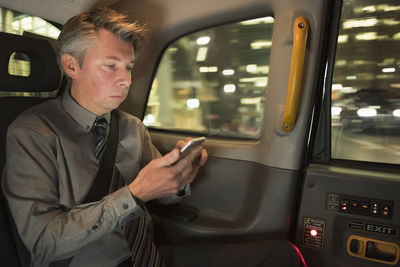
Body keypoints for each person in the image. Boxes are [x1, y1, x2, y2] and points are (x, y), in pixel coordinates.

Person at [2, 8, 207, 267]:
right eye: (111, 66)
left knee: (272, 253)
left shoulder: (132, 127)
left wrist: (180, 176)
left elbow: (162, 193)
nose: (125, 80)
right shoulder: (33, 133)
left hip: (150, 257)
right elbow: (44, 243)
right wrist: (133, 195)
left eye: (128, 68)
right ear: (71, 66)